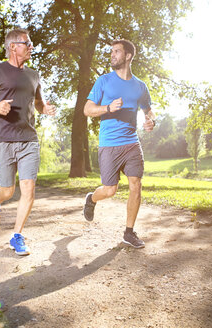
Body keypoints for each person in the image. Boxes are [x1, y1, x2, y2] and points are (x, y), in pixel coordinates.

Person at [0, 28, 56, 256]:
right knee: (7, 191)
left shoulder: (34, 74)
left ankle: (16, 235)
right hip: (2, 140)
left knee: (28, 188)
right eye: (26, 43)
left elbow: (38, 102)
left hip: (28, 139)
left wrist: (45, 108)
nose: (31, 47)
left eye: (30, 43)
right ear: (12, 46)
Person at [83, 39, 156, 248]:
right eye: (111, 51)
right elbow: (87, 110)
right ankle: (92, 199)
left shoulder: (140, 86)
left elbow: (147, 109)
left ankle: (129, 232)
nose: (112, 55)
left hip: (132, 143)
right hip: (109, 144)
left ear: (128, 56)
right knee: (110, 190)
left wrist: (151, 120)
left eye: (116, 51)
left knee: (136, 185)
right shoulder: (104, 81)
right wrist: (107, 108)